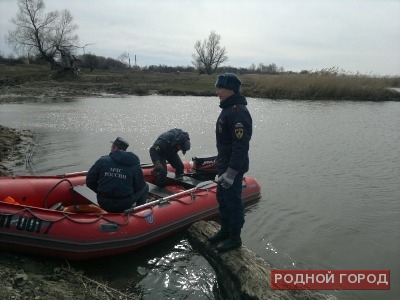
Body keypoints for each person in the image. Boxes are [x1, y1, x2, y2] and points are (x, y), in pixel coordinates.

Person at [208, 73, 253, 252]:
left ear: (230, 89)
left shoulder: (238, 112)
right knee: (223, 200)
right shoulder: (227, 109)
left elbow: (240, 146)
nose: (217, 91)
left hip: (233, 168)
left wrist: (231, 173)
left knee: (233, 202)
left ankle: (235, 238)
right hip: (224, 165)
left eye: (220, 88)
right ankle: (225, 231)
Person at [86, 137, 149, 213]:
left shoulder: (102, 161)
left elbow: (89, 182)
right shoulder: (133, 163)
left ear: (115, 147)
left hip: (103, 202)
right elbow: (140, 186)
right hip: (125, 203)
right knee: (145, 187)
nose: (110, 149)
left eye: (111, 146)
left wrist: (100, 192)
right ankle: (139, 213)